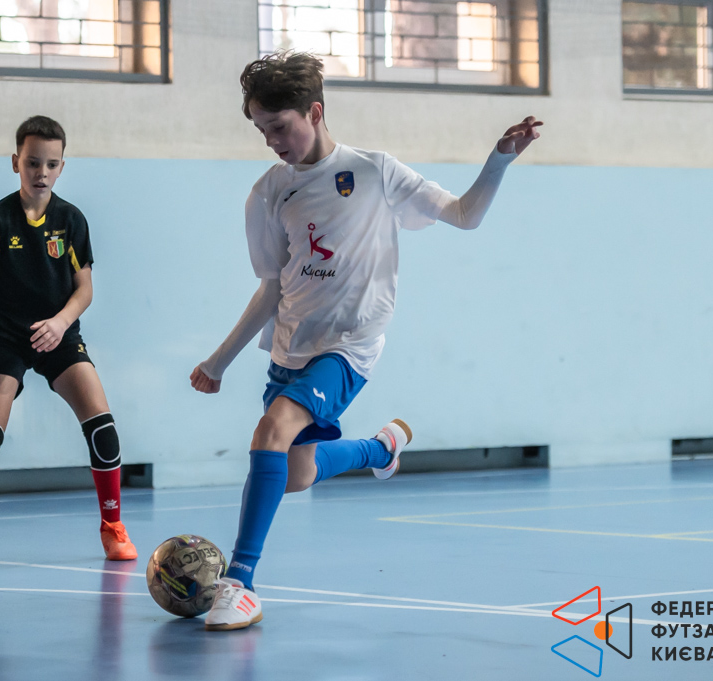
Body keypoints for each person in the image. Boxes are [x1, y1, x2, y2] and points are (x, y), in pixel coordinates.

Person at [189, 52, 542, 630]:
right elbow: (271, 288)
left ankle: (241, 582)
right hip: (290, 347)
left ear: (315, 112)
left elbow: (464, 214)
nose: (272, 141)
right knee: (295, 474)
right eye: (261, 130)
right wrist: (218, 362)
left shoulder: (376, 172)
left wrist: (499, 160)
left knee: (271, 430)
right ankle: (381, 450)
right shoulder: (267, 193)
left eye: (280, 126)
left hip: (350, 347)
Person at [0, 115, 137, 568]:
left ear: (62, 168)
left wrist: (60, 323)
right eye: (33, 162)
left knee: (103, 427)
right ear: (16, 162)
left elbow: (85, 290)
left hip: (59, 335)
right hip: (7, 339)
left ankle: (113, 527)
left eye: (51, 164)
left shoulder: (71, 220)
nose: (41, 172)